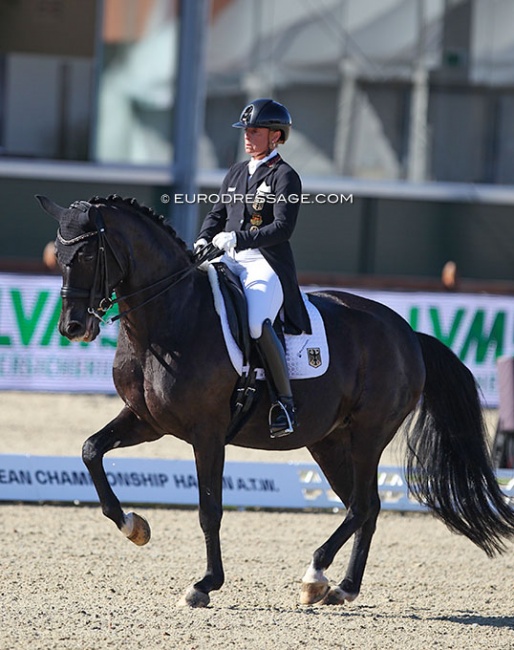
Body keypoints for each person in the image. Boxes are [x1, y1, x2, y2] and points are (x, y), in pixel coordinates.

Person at [194, 98, 311, 438]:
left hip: (265, 262)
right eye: (246, 130)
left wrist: (240, 238)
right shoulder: (234, 172)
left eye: (255, 131)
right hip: (227, 255)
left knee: (257, 323)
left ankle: (284, 405)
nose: (247, 136)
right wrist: (204, 239)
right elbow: (217, 213)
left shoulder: (285, 177)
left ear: (276, 136)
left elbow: (282, 229)